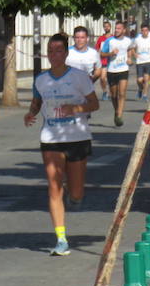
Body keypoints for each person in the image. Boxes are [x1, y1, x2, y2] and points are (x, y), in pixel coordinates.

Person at [24, 33, 99, 256]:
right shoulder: (40, 79)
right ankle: (61, 238)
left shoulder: (79, 77)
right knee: (54, 187)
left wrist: (75, 109)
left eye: (58, 51)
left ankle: (73, 193)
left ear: (66, 53)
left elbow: (94, 104)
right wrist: (31, 114)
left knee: (76, 193)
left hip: (77, 136)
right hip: (51, 137)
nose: (54, 55)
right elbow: (37, 102)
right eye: (50, 51)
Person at [100, 20, 135, 126]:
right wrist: (110, 53)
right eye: (115, 28)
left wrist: (129, 58)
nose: (116, 30)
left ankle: (119, 115)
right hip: (111, 70)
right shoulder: (109, 41)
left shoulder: (128, 41)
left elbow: (130, 49)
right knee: (114, 95)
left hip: (123, 69)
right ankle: (116, 111)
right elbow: (101, 54)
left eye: (119, 28)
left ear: (124, 30)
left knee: (122, 93)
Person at [133, 23, 150, 100]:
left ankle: (145, 95)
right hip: (140, 61)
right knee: (139, 80)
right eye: (143, 30)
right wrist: (134, 54)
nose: (145, 32)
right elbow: (132, 48)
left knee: (147, 79)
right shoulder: (137, 39)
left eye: (146, 30)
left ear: (148, 31)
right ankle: (141, 89)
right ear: (141, 31)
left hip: (149, 60)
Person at [95, 20, 112, 101]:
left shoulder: (113, 38)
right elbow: (97, 48)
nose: (106, 28)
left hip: (112, 61)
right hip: (103, 60)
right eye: (105, 26)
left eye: (108, 26)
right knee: (102, 78)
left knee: (111, 79)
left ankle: (112, 92)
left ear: (110, 27)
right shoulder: (101, 38)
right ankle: (105, 91)